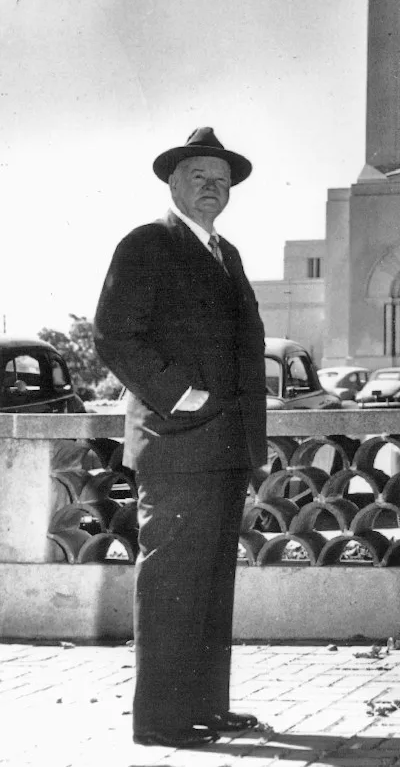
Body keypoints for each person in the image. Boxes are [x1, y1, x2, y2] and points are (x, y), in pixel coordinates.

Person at [94, 127, 268, 749]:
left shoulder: (229, 254)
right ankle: (163, 721)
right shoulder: (148, 244)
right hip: (175, 441)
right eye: (200, 177)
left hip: (225, 448)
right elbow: (113, 333)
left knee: (212, 581)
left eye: (221, 181)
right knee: (171, 581)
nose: (212, 189)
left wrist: (252, 438)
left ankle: (206, 707)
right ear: (172, 183)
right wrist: (179, 393)